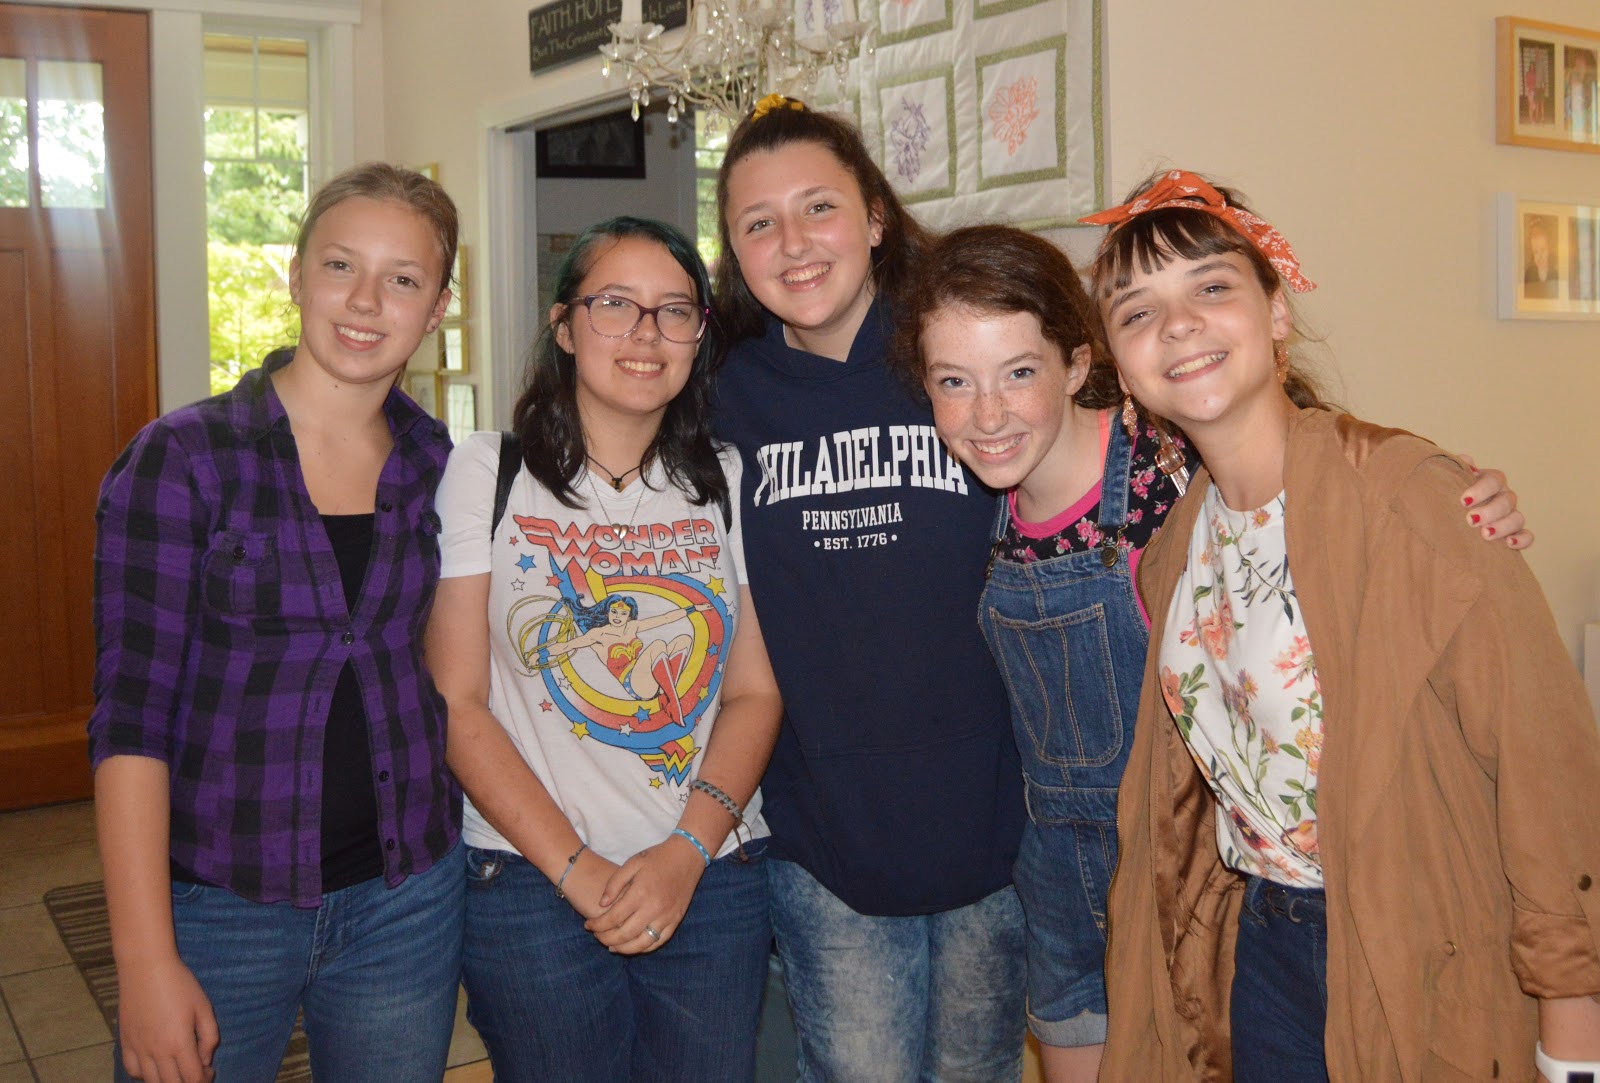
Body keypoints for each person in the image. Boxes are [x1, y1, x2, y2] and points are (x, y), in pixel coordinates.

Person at [892, 223, 1532, 1083]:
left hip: (1191, 871)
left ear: (1078, 364)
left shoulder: (1170, 471)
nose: (988, 413)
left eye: (1017, 372)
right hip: (1059, 881)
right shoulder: (974, 500)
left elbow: (1299, 482)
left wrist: (1453, 492)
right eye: (954, 382)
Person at [1086, 170, 1600, 1081]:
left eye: (1211, 287)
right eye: (1138, 311)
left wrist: (1573, 1028)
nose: (1179, 325)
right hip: (1264, 950)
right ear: (1123, 367)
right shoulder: (1175, 549)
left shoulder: (1410, 500)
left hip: (1418, 954)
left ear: (1276, 311)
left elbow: (1546, 769)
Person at [90, 162, 464, 1083]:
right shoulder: (182, 459)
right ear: (296, 276)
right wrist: (144, 959)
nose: (366, 300)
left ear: (438, 307)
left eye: (403, 279)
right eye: (340, 265)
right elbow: (130, 722)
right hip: (219, 904)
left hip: (405, 900)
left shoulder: (441, 467)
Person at [711, 95, 1029, 1080]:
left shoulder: (956, 358)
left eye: (819, 207)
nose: (793, 243)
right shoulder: (720, 395)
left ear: (876, 218)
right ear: (733, 251)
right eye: (758, 222)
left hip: (994, 826)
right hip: (824, 838)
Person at [425, 216, 783, 1083]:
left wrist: (686, 852)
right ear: (564, 325)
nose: (646, 333)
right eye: (615, 304)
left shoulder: (727, 478)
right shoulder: (489, 470)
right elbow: (456, 702)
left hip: (711, 871)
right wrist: (577, 868)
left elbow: (755, 693)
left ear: (700, 334)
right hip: (528, 878)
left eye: (674, 311)